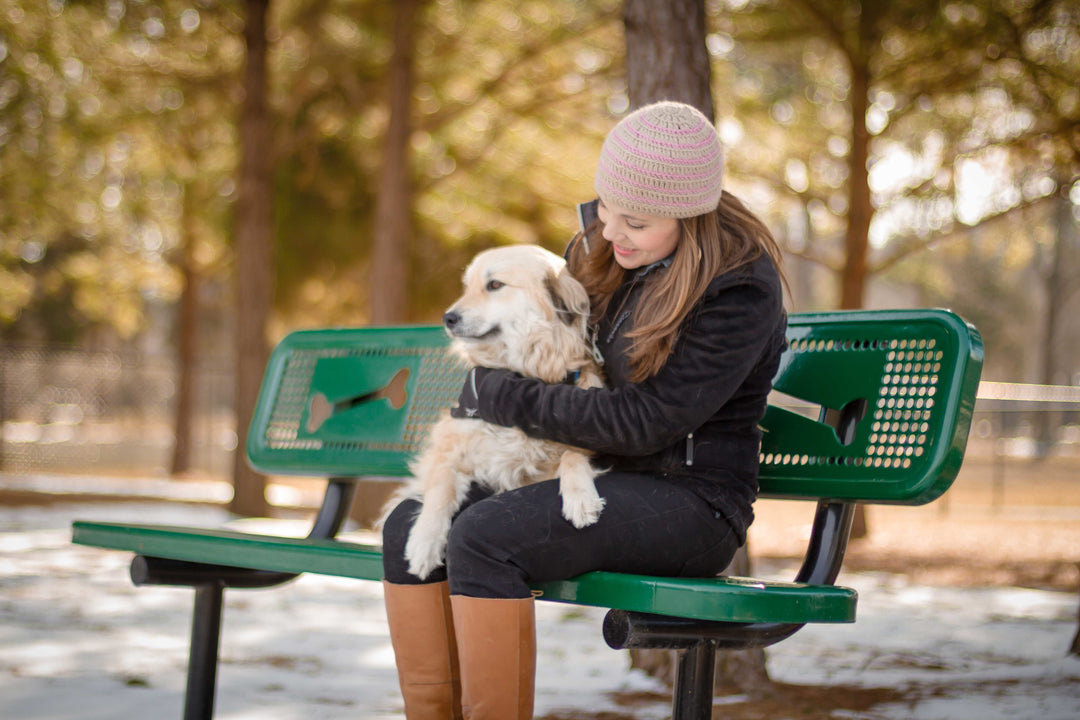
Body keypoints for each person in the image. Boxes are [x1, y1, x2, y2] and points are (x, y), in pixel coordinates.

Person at [380, 100, 788, 720]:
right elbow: (558, 354)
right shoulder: (607, 254)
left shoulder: (737, 284)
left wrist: (497, 395)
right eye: (605, 209)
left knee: (488, 537)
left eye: (637, 222)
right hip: (595, 475)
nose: (610, 232)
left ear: (691, 216)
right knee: (405, 524)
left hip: (691, 500)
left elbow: (645, 421)